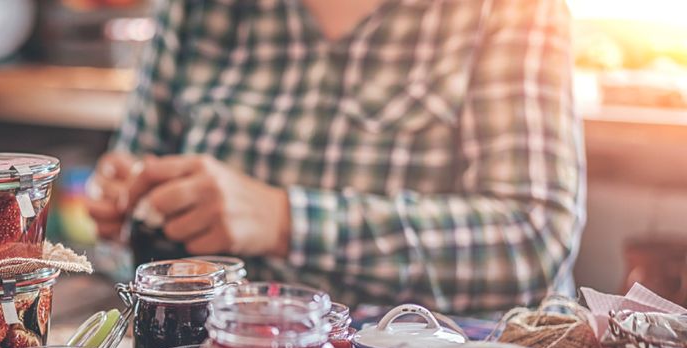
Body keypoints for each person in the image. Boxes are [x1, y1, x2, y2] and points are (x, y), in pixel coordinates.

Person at [86, 0, 584, 313]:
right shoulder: (195, 10)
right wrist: (122, 206)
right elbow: (127, 214)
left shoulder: (510, 10)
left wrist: (284, 220)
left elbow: (532, 238)